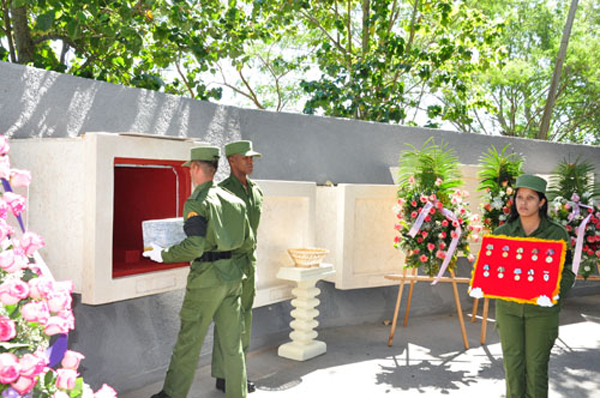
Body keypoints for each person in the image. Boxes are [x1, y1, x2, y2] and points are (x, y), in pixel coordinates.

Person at [144, 146, 253, 398]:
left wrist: (164, 254)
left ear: (194, 168)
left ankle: (172, 394)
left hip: (206, 280)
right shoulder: (235, 201)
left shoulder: (197, 202)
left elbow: (194, 245)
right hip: (233, 277)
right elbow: (247, 242)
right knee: (232, 344)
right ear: (214, 169)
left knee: (189, 340)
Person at [492, 174, 575, 398]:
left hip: (542, 311)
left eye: (530, 198)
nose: (523, 203)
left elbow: (567, 272)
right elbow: (492, 270)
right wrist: (484, 283)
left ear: (541, 202)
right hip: (508, 310)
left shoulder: (556, 234)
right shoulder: (502, 234)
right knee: (512, 365)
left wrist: (554, 292)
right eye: (519, 197)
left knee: (536, 367)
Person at [212, 140, 264, 394]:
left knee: (244, 318)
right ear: (232, 160)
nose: (251, 162)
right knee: (228, 321)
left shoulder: (256, 191)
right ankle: (227, 376)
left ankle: (233, 374)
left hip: (249, 263)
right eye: (246, 158)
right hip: (229, 264)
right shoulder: (222, 191)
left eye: (252, 158)